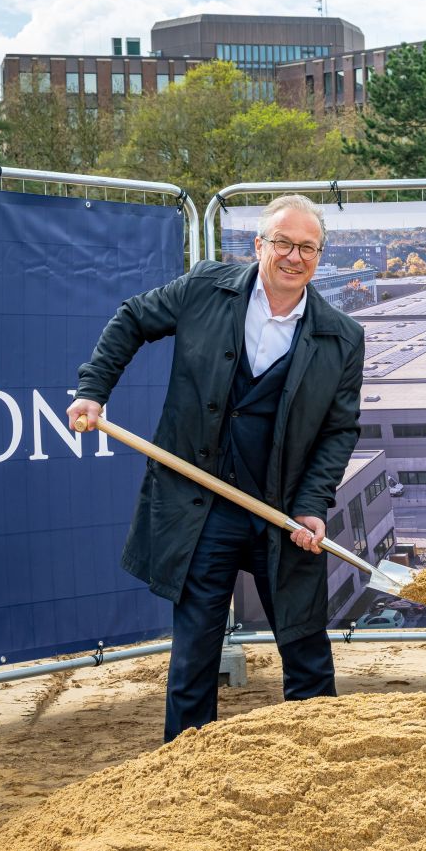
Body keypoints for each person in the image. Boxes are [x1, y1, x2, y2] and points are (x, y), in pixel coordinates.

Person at [68, 194, 364, 741]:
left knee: (306, 652)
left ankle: (324, 768)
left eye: (306, 247)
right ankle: (185, 773)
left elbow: (338, 430)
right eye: (282, 243)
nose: (292, 256)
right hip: (202, 509)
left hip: (283, 513)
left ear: (319, 257)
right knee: (194, 657)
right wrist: (93, 390)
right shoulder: (205, 288)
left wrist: (311, 504)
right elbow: (132, 319)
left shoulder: (343, 337)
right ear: (259, 246)